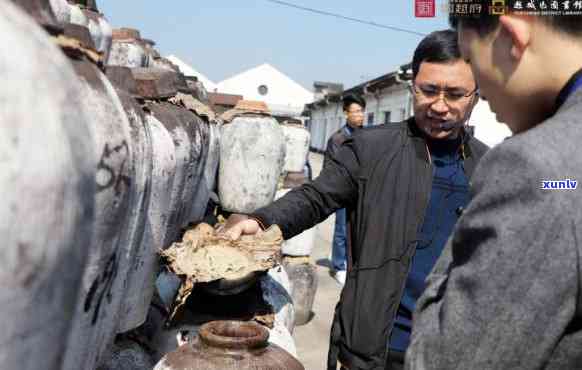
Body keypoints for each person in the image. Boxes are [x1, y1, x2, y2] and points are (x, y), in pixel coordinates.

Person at [223, 29, 488, 369]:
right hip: (371, 347)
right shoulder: (370, 149)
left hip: (449, 351)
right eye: (429, 90)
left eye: (454, 94)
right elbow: (316, 197)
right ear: (412, 88)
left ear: (476, 96)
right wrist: (260, 220)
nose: (439, 105)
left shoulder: (490, 167)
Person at [406, 8, 582, 370]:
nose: (482, 94)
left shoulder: (534, 166)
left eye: (471, 60)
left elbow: (443, 361)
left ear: (512, 37)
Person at [325, 94, 367, 285]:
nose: (360, 115)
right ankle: (338, 266)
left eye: (361, 111)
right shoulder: (338, 139)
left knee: (359, 228)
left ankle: (352, 263)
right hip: (344, 190)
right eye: (355, 111)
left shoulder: (367, 135)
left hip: (362, 190)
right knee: (342, 229)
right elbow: (331, 168)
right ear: (346, 113)